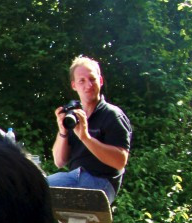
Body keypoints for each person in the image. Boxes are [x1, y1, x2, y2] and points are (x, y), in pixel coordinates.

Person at [47, 55, 132, 204]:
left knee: (38, 190)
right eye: (82, 81)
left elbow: (120, 161)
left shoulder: (112, 115)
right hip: (74, 177)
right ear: (74, 86)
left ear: (100, 81)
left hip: (101, 183)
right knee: (31, 187)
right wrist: (63, 131)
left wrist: (86, 138)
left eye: (92, 79)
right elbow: (59, 162)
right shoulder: (73, 117)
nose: (88, 85)